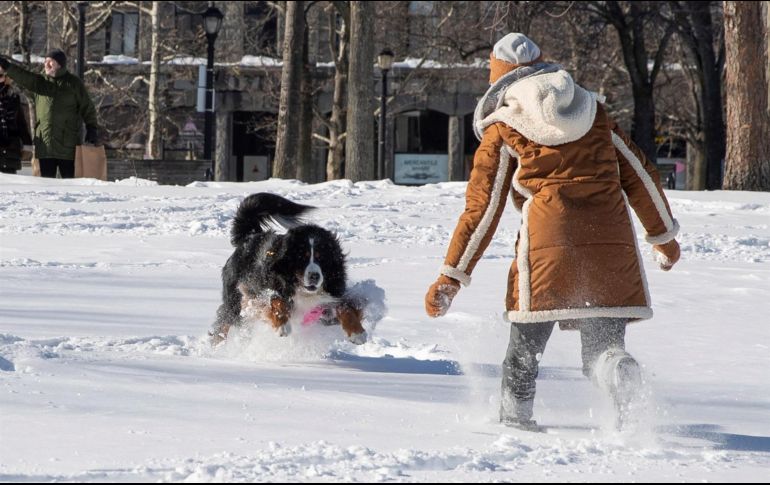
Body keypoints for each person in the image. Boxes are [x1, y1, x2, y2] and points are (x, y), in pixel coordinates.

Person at [424, 33, 681, 431]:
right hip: (610, 242)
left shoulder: (505, 127)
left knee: (523, 352)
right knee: (603, 349)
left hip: (547, 247)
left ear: (499, 79)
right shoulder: (594, 113)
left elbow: (483, 208)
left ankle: (515, 422)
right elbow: (640, 173)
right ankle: (621, 383)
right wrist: (662, 235)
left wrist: (452, 274)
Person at [0, 49, 98, 178]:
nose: (46, 65)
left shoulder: (74, 84)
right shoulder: (40, 82)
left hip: (68, 147)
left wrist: (92, 129)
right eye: (45, 61)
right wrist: (6, 66)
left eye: (50, 62)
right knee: (46, 187)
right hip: (45, 147)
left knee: (70, 185)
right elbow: (23, 76)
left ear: (60, 64)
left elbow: (88, 108)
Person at [0, 66, 32, 174]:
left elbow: (21, 124)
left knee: (10, 188)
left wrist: (27, 145)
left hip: (10, 150)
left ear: (6, 78)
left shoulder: (13, 97)